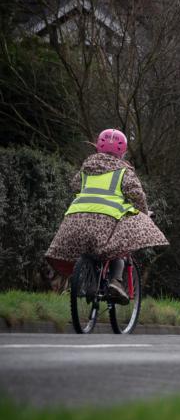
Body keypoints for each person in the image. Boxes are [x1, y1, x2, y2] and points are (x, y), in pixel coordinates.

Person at [46, 129, 168, 303]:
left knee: (90, 247)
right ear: (123, 152)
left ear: (98, 147)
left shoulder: (87, 167)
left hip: (76, 219)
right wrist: (143, 213)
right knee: (118, 248)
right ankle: (116, 282)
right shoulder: (124, 171)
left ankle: (90, 282)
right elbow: (138, 195)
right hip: (107, 220)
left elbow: (74, 185)